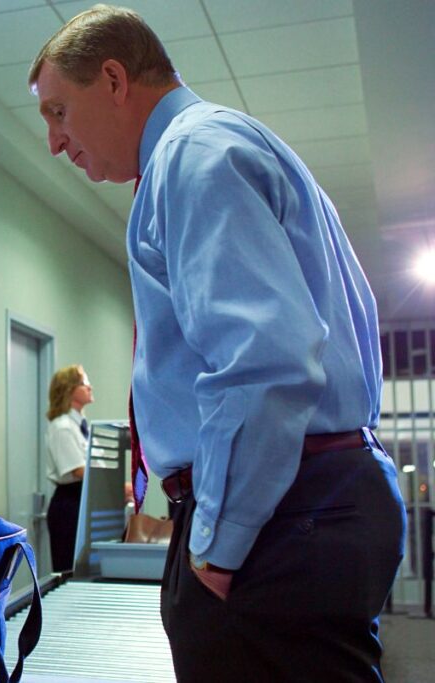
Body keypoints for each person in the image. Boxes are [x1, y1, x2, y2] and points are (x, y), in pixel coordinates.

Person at [29, 6, 406, 681]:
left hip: (281, 517)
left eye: (59, 112)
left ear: (113, 80)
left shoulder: (191, 157)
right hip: (312, 498)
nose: (54, 142)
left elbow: (263, 364)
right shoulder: (222, 146)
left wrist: (217, 551)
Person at [44, 364, 94, 573]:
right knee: (70, 571)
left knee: (87, 570)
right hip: (69, 505)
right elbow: (78, 470)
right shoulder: (62, 426)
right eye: (84, 383)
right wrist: (116, 487)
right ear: (69, 389)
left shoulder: (83, 426)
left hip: (84, 500)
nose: (90, 387)